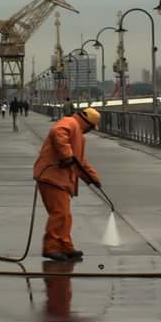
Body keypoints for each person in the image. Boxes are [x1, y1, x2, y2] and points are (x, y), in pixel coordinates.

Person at [33, 108, 101, 260]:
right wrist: (67, 155)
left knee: (65, 216)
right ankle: (50, 247)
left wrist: (93, 178)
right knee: (60, 214)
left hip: (59, 179)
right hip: (51, 176)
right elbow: (58, 132)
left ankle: (66, 246)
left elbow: (80, 161)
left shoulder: (78, 135)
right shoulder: (70, 123)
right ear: (88, 124)